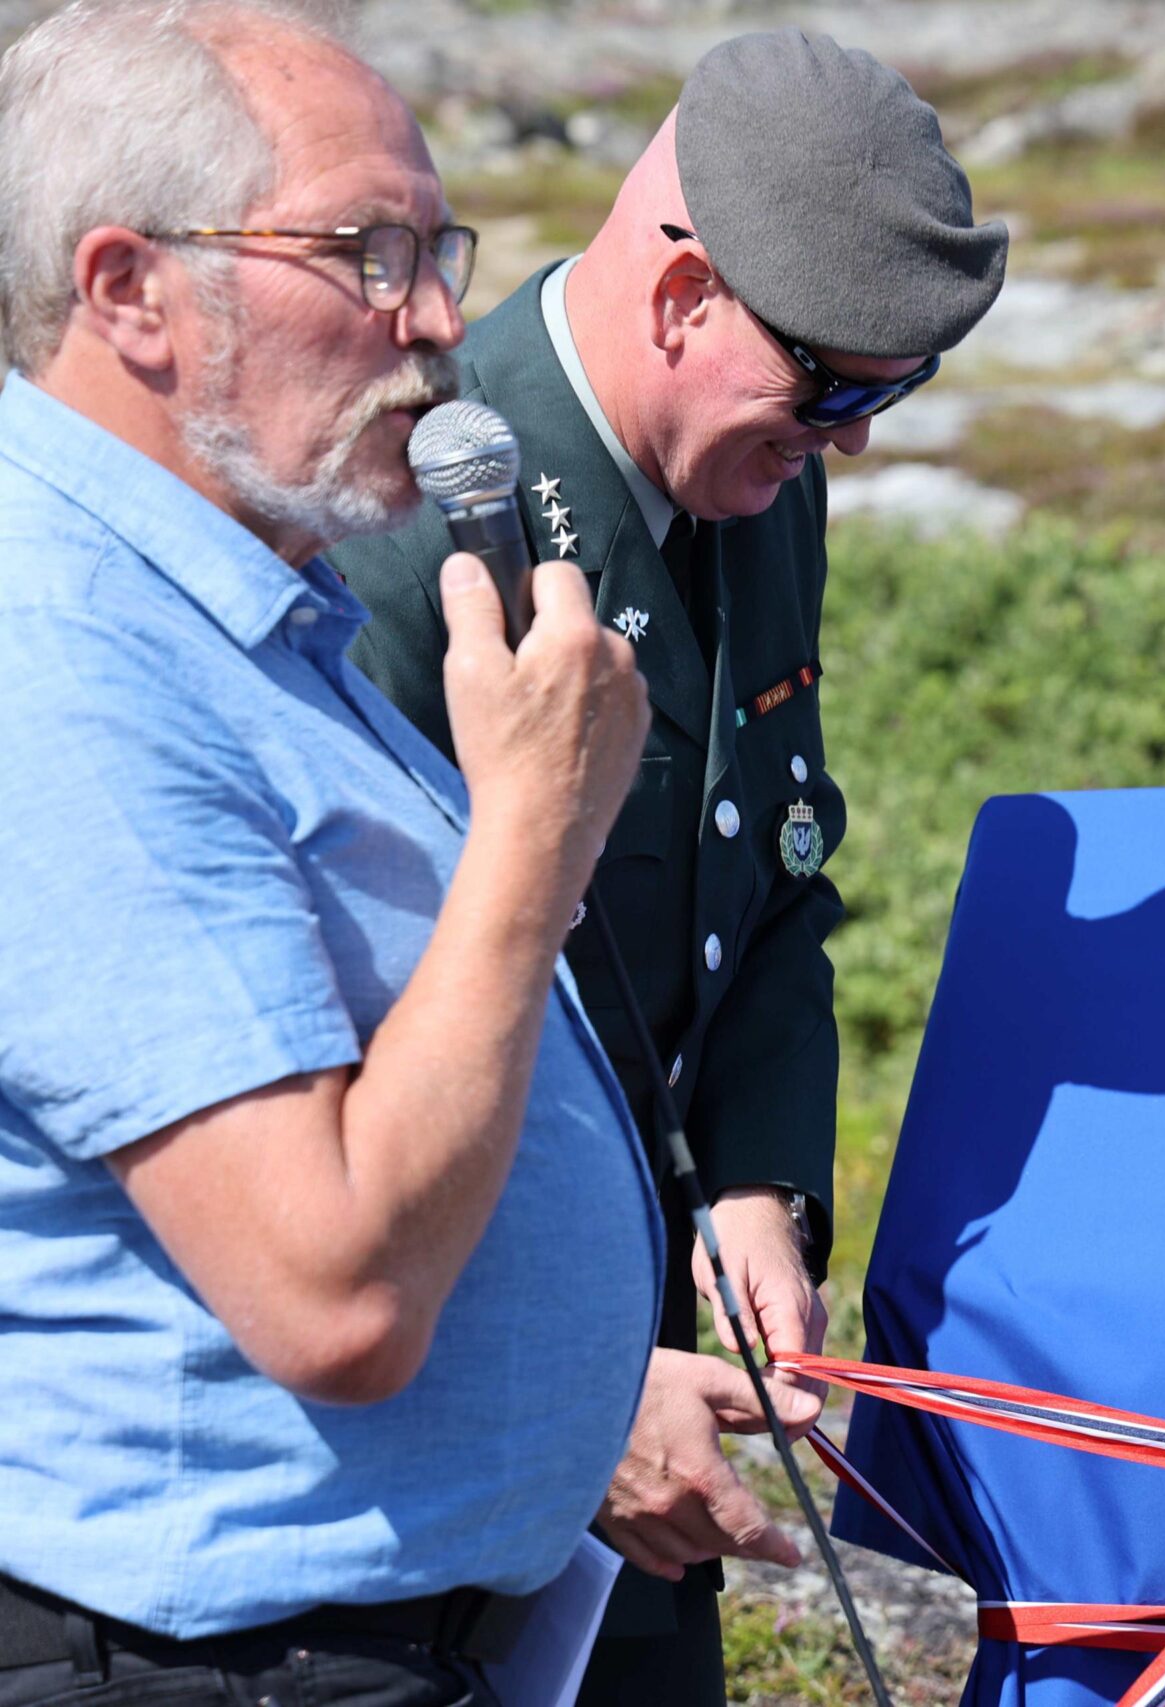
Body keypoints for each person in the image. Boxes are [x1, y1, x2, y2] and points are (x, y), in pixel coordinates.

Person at [328, 29, 1007, 1704]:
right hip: (431, 1465)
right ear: (687, 293)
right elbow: (326, 1071)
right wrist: (566, 1376)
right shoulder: (407, 529)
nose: (853, 442)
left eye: (891, 395)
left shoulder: (755, 483)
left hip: (643, 1414)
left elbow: (767, 878)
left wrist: (761, 1190)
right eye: (834, 391)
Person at [0, 2, 664, 1703]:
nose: (437, 319)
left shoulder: (233, 616)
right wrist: (531, 829)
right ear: (129, 288)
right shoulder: (64, 662)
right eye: (365, 250)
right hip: (210, 1669)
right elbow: (335, 1296)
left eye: (437, 247)